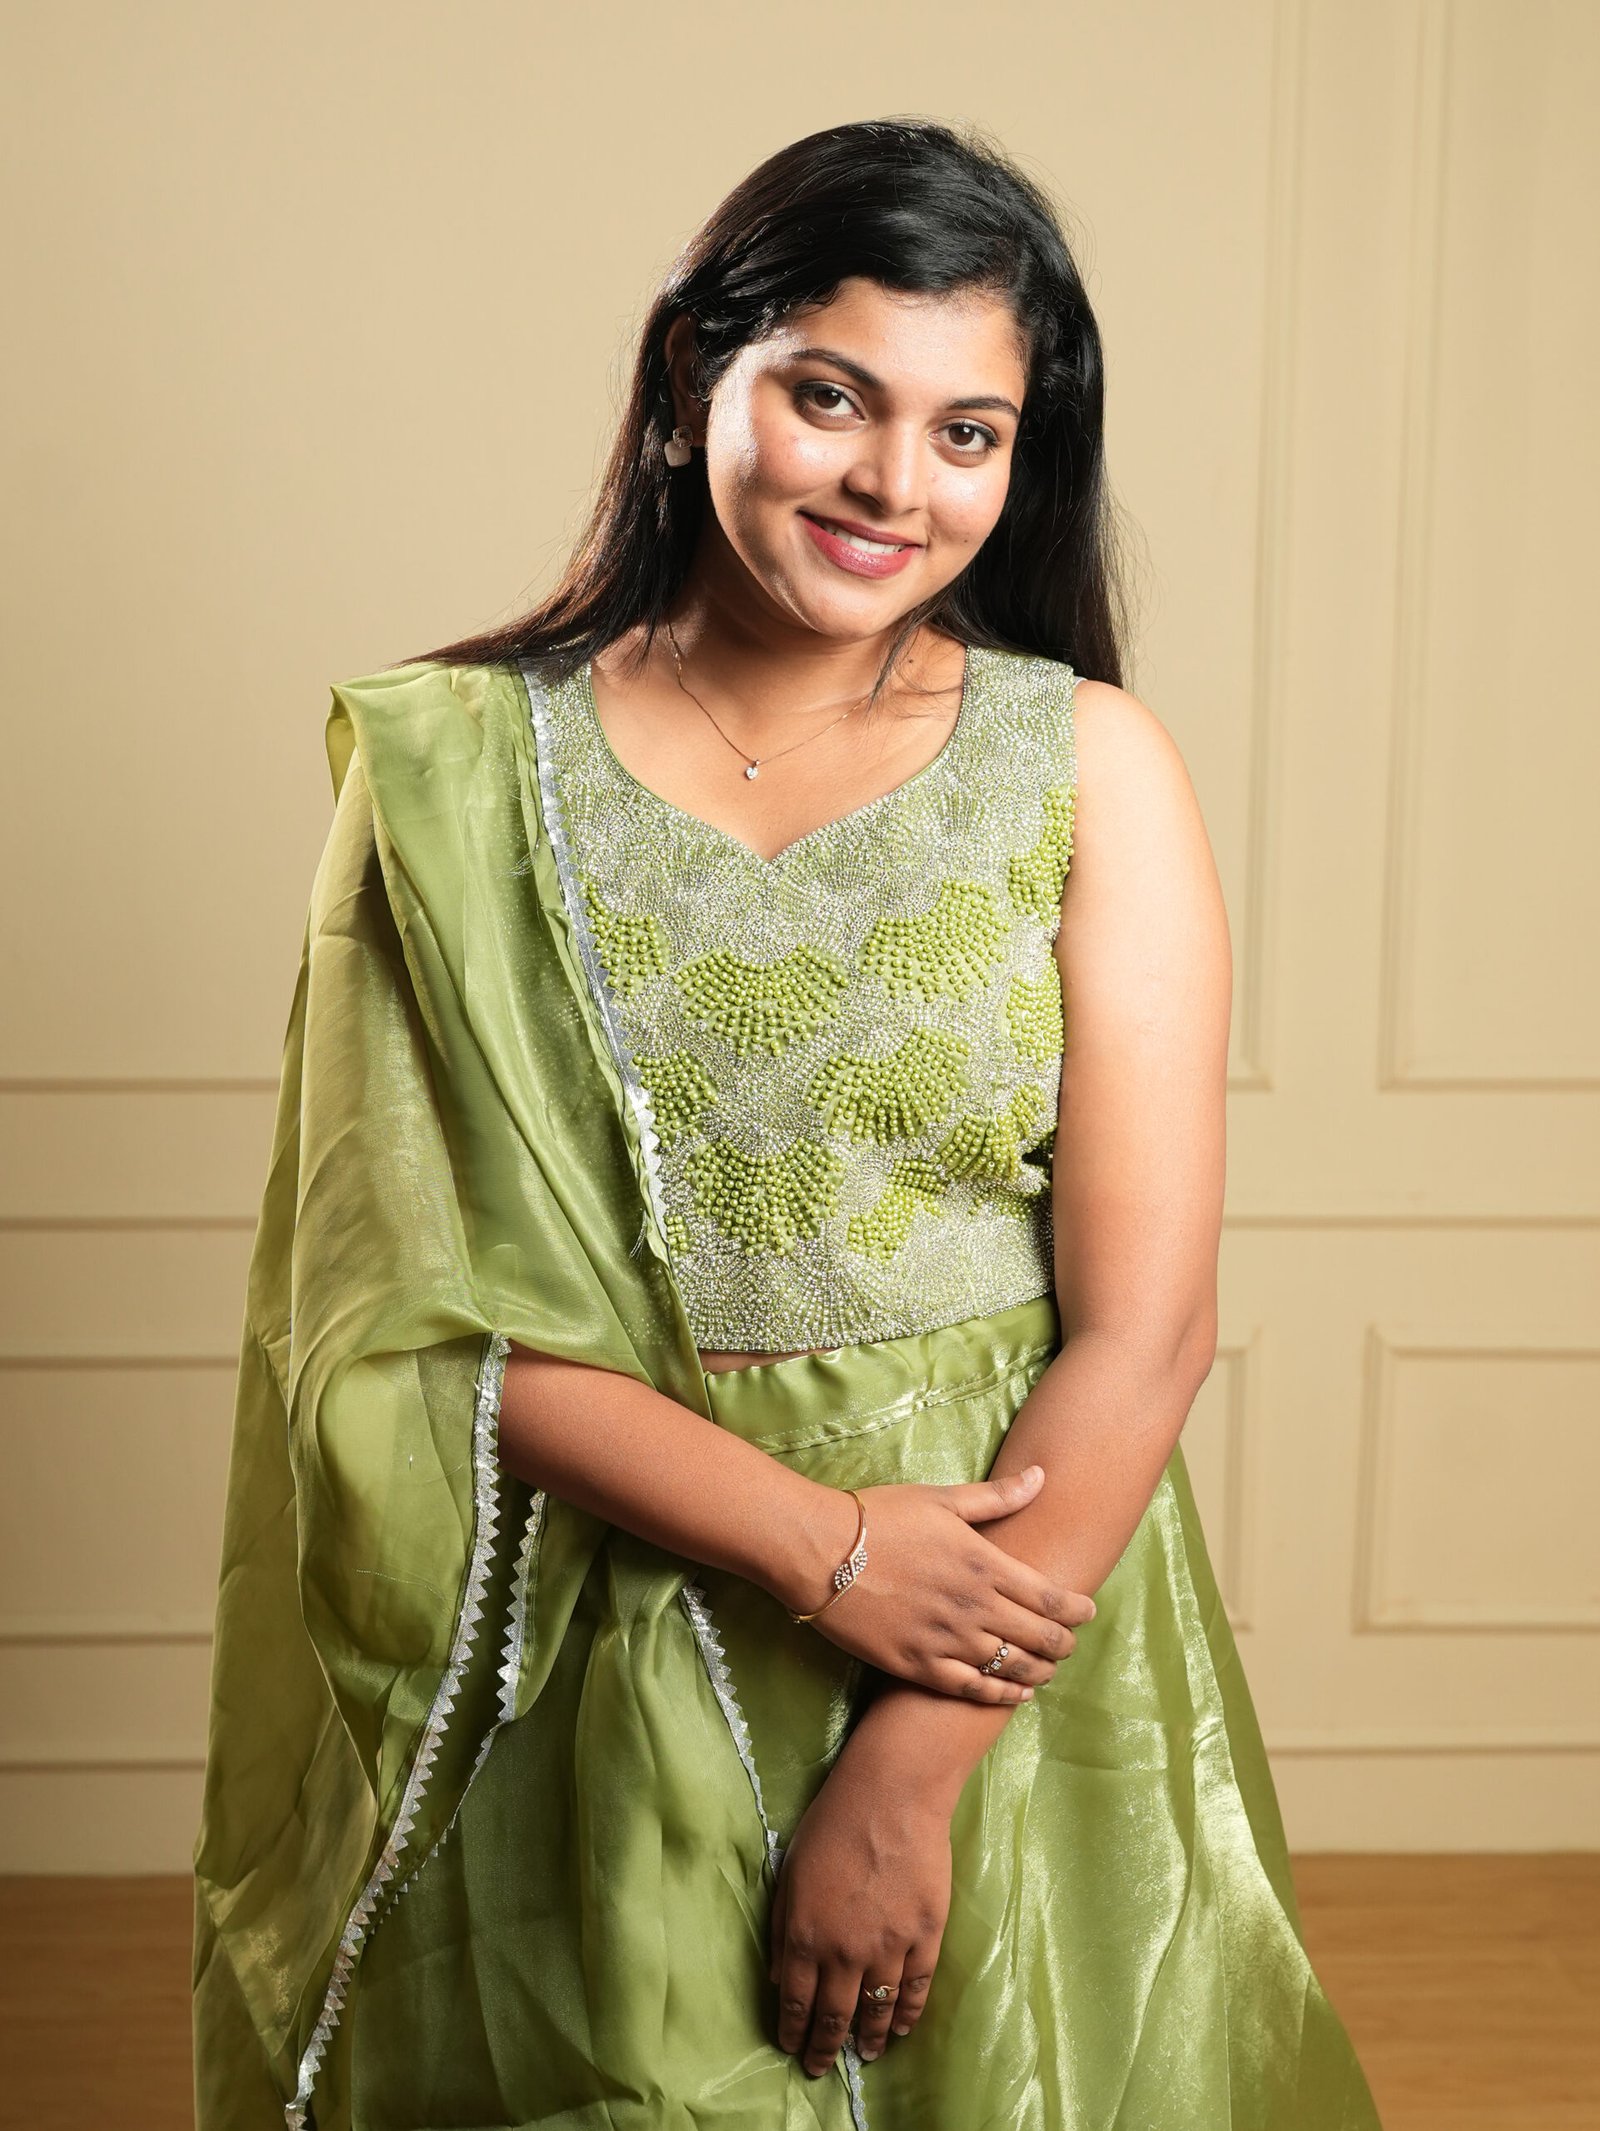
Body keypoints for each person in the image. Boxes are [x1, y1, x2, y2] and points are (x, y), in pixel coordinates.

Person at [192, 117, 1385, 2131]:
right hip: (597, 1615)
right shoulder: (453, 772)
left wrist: (909, 1767)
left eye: (965, 432)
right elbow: (391, 1315)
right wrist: (822, 1547)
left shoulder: (1085, 764)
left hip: (994, 1620)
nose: (892, 484)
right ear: (692, 381)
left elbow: (1145, 1326)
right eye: (831, 397)